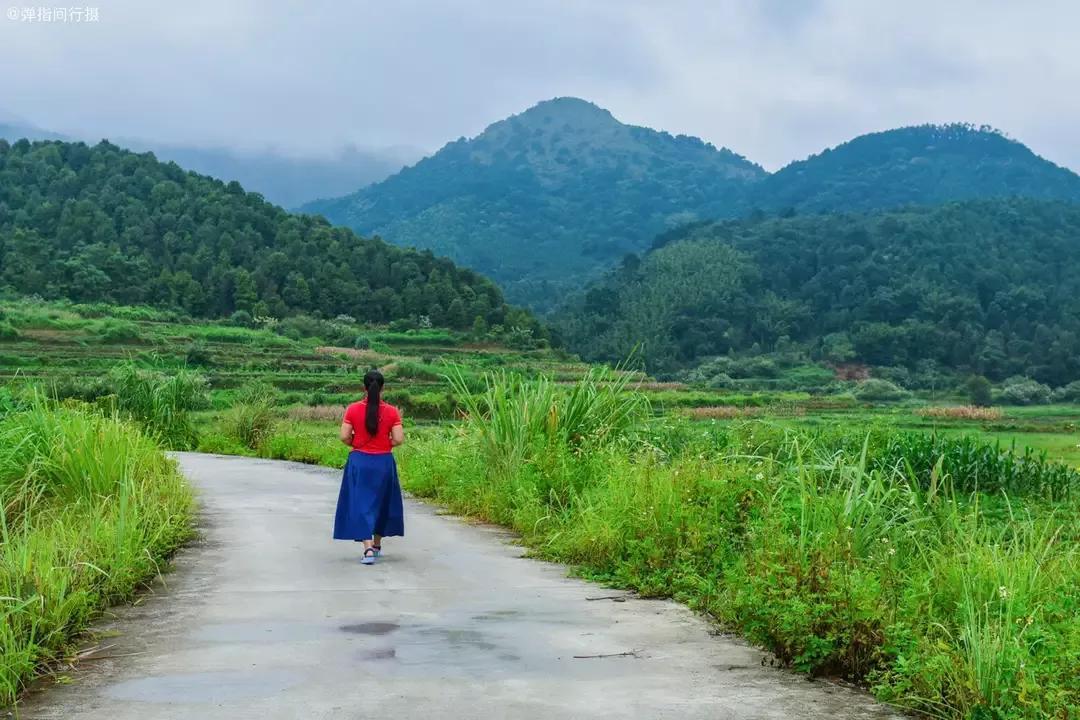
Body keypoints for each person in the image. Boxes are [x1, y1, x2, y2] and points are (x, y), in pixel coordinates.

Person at [333, 369, 405, 565]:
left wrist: (356, 443)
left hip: (360, 461)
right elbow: (398, 439)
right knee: (383, 502)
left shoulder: (353, 409)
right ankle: (378, 544)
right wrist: (385, 443)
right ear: (383, 388)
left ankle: (368, 549)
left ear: (363, 387)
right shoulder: (392, 411)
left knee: (362, 503)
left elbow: (344, 436)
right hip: (383, 462)